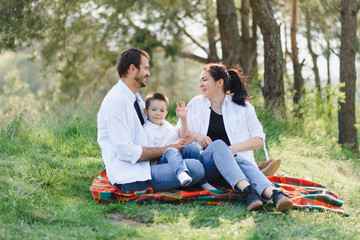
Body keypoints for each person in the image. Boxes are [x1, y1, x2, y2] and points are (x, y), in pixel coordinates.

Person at [182, 63, 293, 212]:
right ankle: (249, 190)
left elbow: (259, 139)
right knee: (219, 145)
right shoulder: (196, 103)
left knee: (239, 159)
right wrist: (197, 136)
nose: (200, 84)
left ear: (219, 82)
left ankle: (276, 194)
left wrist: (235, 148)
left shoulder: (243, 107)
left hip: (234, 166)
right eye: (200, 80)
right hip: (208, 166)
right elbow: (180, 134)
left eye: (204, 80)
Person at [97, 48, 206, 192]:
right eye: (146, 69)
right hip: (133, 175)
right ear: (132, 69)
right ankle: (198, 178)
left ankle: (198, 178)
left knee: (191, 152)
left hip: (149, 164)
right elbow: (125, 151)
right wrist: (166, 150)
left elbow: (156, 127)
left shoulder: (135, 98)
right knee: (196, 167)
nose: (148, 73)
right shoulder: (116, 101)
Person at [143, 92, 217, 190]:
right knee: (171, 150)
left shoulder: (165, 124)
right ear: (145, 111)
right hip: (161, 161)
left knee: (191, 148)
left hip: (176, 155)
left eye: (161, 111)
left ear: (166, 113)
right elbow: (150, 155)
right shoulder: (147, 130)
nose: (158, 113)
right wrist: (171, 147)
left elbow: (182, 134)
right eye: (153, 110)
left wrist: (183, 119)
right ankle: (181, 173)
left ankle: (203, 181)